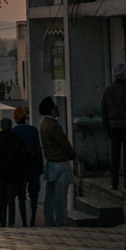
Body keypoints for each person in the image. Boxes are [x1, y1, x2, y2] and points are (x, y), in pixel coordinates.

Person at [101, 63, 126, 190]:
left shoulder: (108, 90)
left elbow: (104, 110)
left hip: (113, 127)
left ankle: (114, 182)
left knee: (115, 155)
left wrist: (106, 127)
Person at [39, 97, 75, 227]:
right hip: (60, 164)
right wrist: (72, 154)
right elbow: (64, 144)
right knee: (60, 197)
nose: (57, 108)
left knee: (50, 197)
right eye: (54, 106)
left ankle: (49, 221)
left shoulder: (43, 123)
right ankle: (61, 222)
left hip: (51, 164)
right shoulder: (54, 125)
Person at [0, 117, 26, 227]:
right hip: (14, 174)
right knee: (11, 199)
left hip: (0, 174)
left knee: (2, 198)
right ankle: (11, 221)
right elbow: (22, 158)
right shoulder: (17, 139)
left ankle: (2, 221)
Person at [12, 107, 43, 226]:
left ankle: (24, 220)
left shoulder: (14, 131)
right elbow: (38, 150)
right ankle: (33, 219)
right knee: (34, 194)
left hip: (20, 168)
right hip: (33, 166)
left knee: (21, 196)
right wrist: (40, 166)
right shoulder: (33, 130)